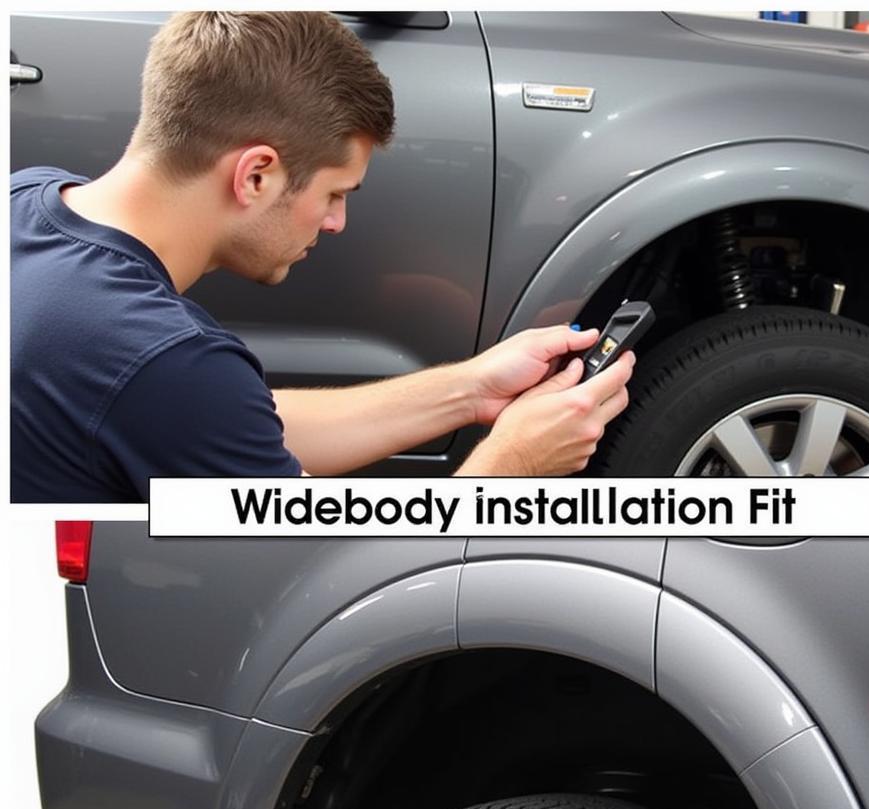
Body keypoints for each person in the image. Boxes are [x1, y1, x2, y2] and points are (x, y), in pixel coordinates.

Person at [11, 11, 634, 503]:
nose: (336, 222)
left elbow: (228, 423)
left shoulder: (27, 199)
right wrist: (517, 461)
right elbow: (336, 601)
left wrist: (470, 389)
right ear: (256, 175)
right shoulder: (163, 361)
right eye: (334, 193)